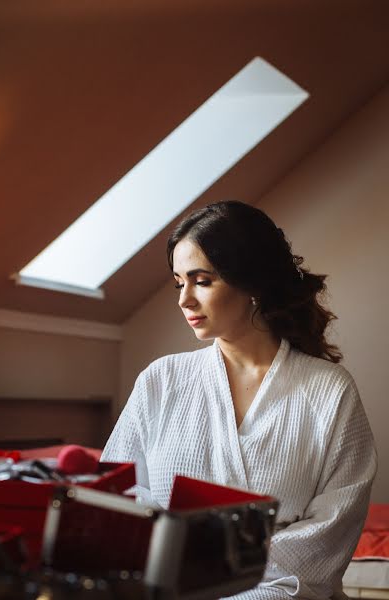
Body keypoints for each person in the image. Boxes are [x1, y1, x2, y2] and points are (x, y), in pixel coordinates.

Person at [102, 200, 377, 600]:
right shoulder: (161, 381)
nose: (184, 300)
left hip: (281, 592)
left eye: (202, 280)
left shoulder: (329, 391)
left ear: (252, 281)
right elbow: (118, 496)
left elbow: (331, 529)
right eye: (179, 282)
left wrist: (216, 570)